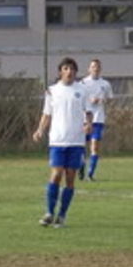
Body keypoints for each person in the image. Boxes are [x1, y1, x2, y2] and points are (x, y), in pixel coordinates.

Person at [32, 57, 93, 229]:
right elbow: (47, 114)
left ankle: (62, 215)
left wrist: (88, 124)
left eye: (72, 69)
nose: (69, 72)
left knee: (70, 178)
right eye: (66, 68)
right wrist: (40, 130)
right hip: (57, 140)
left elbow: (88, 112)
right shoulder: (52, 91)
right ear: (60, 71)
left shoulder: (82, 90)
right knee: (56, 174)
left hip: (76, 141)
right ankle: (49, 213)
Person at [80, 58, 113, 181]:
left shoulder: (105, 84)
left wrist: (102, 100)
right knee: (81, 146)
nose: (96, 69)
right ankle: (81, 167)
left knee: (94, 147)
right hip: (84, 119)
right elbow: (78, 97)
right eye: (93, 66)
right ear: (89, 69)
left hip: (98, 119)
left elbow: (110, 98)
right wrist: (89, 100)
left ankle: (90, 174)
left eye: (98, 67)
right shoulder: (83, 83)